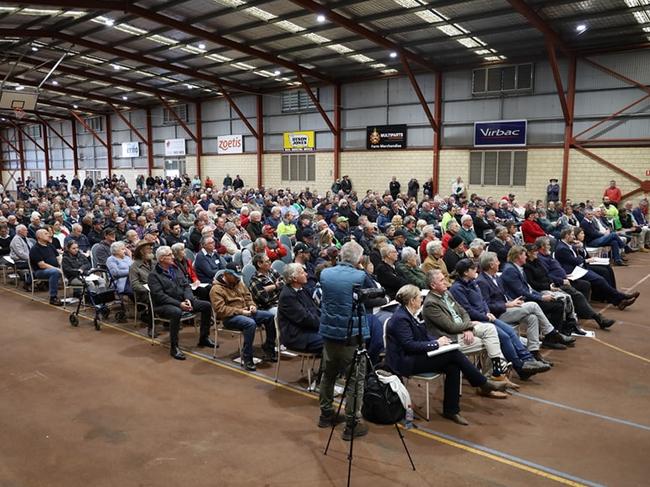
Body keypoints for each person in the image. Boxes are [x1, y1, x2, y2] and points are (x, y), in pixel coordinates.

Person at [385, 284, 508, 425]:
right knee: (453, 355)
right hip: (405, 362)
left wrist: (440, 341)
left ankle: (452, 410)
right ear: (412, 300)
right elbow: (409, 345)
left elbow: (425, 335)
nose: (422, 300)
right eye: (419, 297)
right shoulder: (401, 318)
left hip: (415, 355)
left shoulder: (411, 314)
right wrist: (436, 344)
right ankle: (482, 383)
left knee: (453, 367)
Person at [449, 259, 551, 381]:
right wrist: (485, 316)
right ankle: (520, 367)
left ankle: (528, 359)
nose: (476, 270)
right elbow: (467, 310)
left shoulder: (473, 283)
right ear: (466, 272)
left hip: (486, 316)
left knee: (511, 332)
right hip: (476, 321)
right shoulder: (457, 289)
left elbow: (482, 301)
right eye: (473, 269)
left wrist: (487, 312)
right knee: (504, 336)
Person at [318, 241, 375, 440]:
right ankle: (352, 423)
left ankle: (326, 413)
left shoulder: (325, 273)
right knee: (355, 381)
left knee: (329, 374)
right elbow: (375, 295)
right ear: (359, 259)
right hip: (352, 335)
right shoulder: (361, 276)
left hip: (329, 333)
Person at [422, 269, 509, 390]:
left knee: (490, 329)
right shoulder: (430, 304)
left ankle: (496, 371)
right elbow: (450, 327)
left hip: (462, 329)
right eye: (442, 280)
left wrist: (467, 326)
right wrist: (469, 326)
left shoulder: (446, 293)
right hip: (450, 338)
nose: (446, 282)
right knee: (489, 342)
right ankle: (490, 379)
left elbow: (463, 311)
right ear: (433, 285)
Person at [476, 252, 563, 365]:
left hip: (507, 308)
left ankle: (534, 352)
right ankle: (550, 331)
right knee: (533, 305)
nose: (499, 263)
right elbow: (486, 305)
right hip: (497, 315)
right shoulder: (481, 281)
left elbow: (503, 296)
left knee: (532, 318)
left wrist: (511, 301)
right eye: (497, 261)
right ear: (491, 265)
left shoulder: (496, 277)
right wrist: (507, 305)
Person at [500, 246, 577, 346]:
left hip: (526, 298)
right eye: (524, 255)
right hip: (521, 301)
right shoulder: (510, 270)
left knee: (557, 302)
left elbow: (528, 289)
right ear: (518, 256)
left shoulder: (516, 268)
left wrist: (541, 295)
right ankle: (551, 336)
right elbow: (522, 292)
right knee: (557, 306)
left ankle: (553, 335)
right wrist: (541, 297)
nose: (526, 257)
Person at [148, 246, 214, 360]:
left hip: (183, 301)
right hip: (164, 305)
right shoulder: (154, 276)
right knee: (176, 312)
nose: (173, 257)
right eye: (170, 255)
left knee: (206, 306)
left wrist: (188, 298)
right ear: (162, 258)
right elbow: (160, 297)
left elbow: (186, 285)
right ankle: (174, 347)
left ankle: (204, 337)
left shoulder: (175, 269)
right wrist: (179, 304)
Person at [210, 263, 277, 371]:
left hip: (246, 311)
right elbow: (220, 310)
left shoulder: (238, 282)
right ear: (226, 274)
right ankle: (247, 358)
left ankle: (269, 347)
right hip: (230, 317)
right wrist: (240, 311)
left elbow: (247, 296)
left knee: (269, 316)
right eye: (234, 276)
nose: (237, 278)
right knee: (250, 324)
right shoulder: (216, 289)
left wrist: (252, 305)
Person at [555, 228, 637, 311]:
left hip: (579, 268)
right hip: (573, 272)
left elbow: (579, 257)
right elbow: (575, 260)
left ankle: (620, 300)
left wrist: (580, 248)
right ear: (566, 236)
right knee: (600, 279)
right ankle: (621, 297)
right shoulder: (562, 248)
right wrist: (585, 260)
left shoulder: (569, 245)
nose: (573, 237)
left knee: (602, 276)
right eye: (572, 235)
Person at [277, 263, 323, 353]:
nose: (306, 274)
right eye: (302, 273)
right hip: (296, 336)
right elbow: (304, 318)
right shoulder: (287, 296)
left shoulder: (302, 289)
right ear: (294, 278)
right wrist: (324, 324)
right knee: (331, 340)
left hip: (308, 329)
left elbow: (315, 309)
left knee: (335, 336)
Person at [29, 229, 63, 305]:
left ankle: (78, 293)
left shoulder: (50, 245)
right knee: (54, 272)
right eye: (46, 233)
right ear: (39, 237)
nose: (49, 235)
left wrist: (62, 266)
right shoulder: (35, 249)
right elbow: (42, 265)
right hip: (40, 271)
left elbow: (58, 257)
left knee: (70, 268)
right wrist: (57, 269)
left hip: (55, 268)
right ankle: (53, 297)